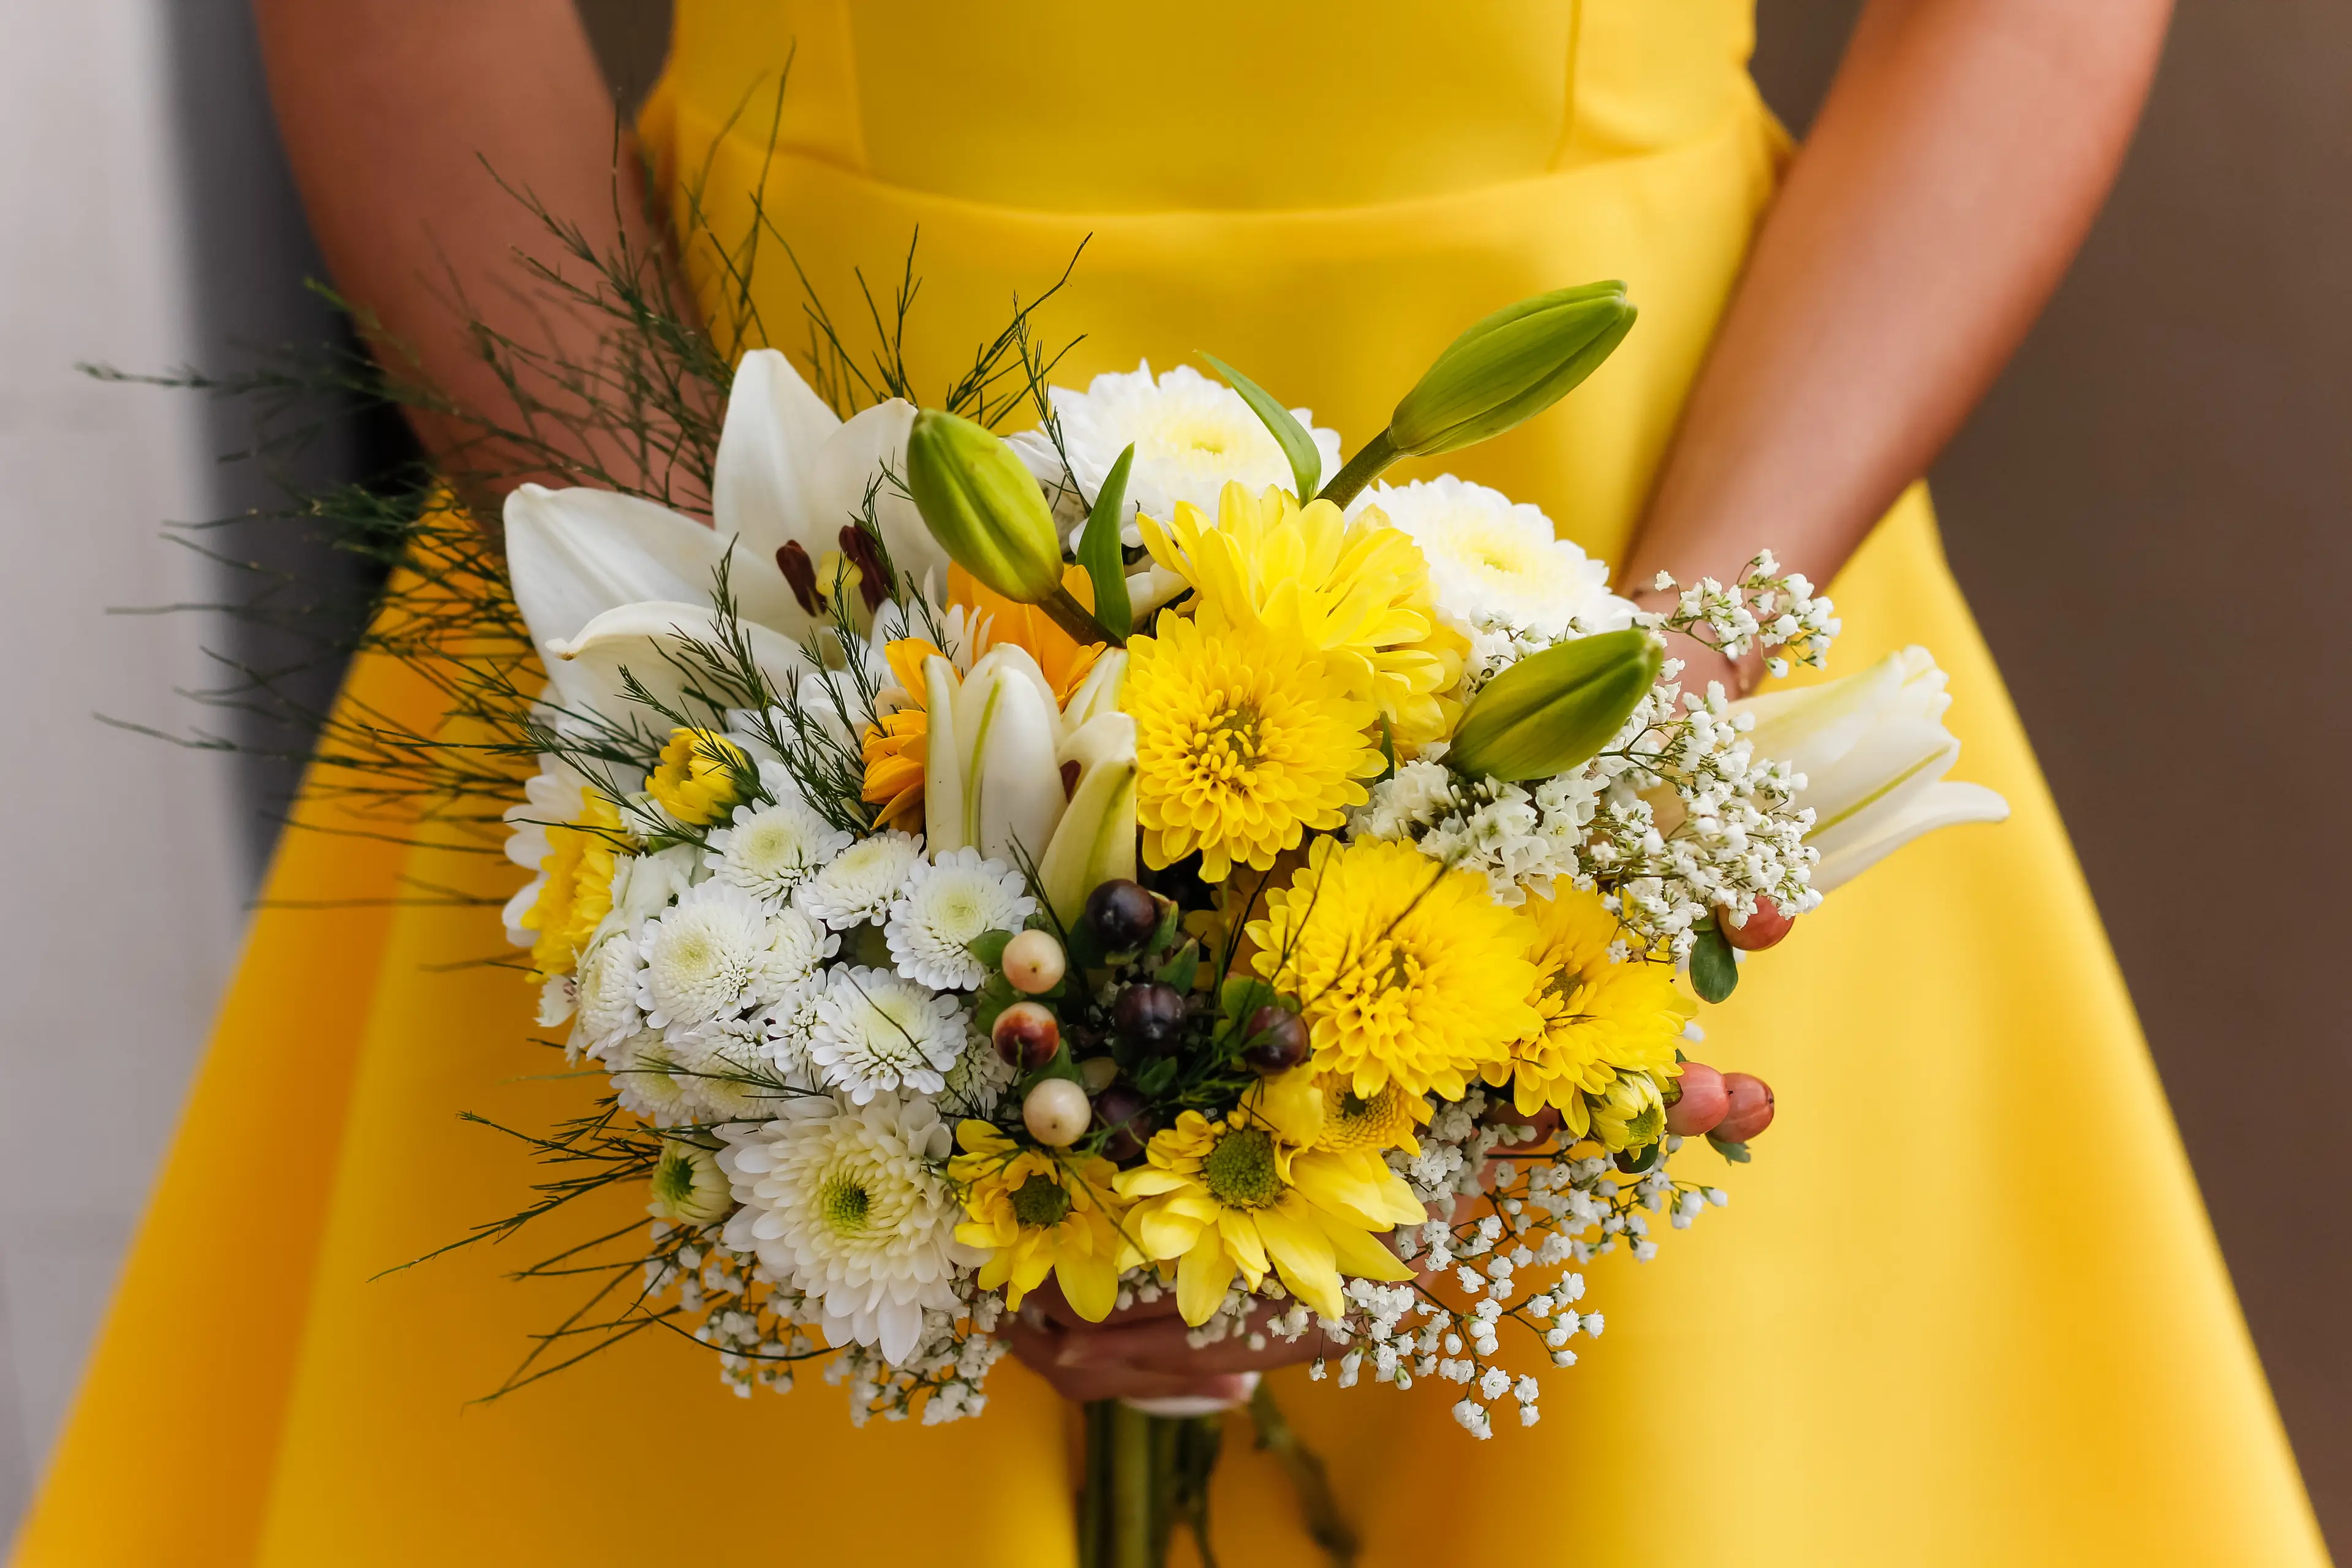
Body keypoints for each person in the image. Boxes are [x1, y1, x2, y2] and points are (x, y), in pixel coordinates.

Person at [14, 2, 2327, 1563]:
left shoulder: (1650, 703)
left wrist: (1622, 772)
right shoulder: (750, 661)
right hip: (802, 513)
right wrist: (731, 734)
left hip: (1658, 527)